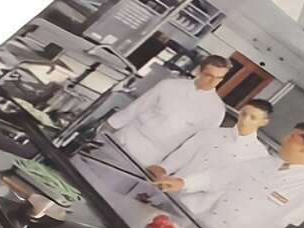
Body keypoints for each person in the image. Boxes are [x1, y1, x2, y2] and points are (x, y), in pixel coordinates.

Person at [161, 121, 304, 228]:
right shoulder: (266, 163)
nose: (284, 138)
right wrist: (183, 183)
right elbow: (220, 176)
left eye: (292, 137)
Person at [99, 54, 232, 185]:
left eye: (218, 78)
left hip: (148, 158)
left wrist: (165, 167)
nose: (212, 82)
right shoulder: (169, 85)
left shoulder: (216, 110)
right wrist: (104, 129)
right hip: (123, 139)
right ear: (198, 71)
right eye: (209, 75)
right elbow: (135, 109)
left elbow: (194, 146)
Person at [155, 96, 273, 199]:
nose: (245, 120)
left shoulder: (259, 155)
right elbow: (182, 156)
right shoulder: (210, 133)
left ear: (264, 122)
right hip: (169, 189)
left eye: (253, 118)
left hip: (197, 205)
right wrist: (163, 169)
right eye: (244, 114)